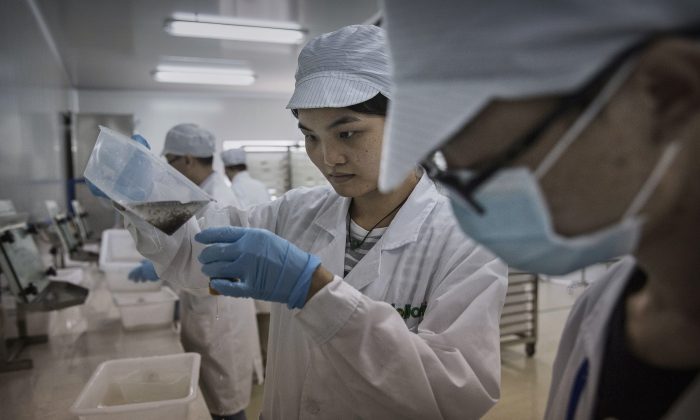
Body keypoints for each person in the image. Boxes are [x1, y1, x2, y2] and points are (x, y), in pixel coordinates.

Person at [113, 25, 507, 419]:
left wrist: (317, 292)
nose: (327, 157)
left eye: (348, 133)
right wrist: (145, 196)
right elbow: (196, 251)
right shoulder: (293, 212)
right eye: (311, 137)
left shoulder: (466, 241)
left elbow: (455, 393)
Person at [377, 2, 700, 419]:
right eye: (451, 174)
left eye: (492, 169)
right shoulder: (599, 313)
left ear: (669, 91)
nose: (472, 218)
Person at [130, 123, 260, 420]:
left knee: (225, 401)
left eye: (170, 161)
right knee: (216, 396)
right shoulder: (202, 191)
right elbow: (178, 232)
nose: (169, 168)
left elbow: (201, 256)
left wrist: (163, 263)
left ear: (187, 159)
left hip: (218, 312)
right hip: (207, 306)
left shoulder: (218, 197)